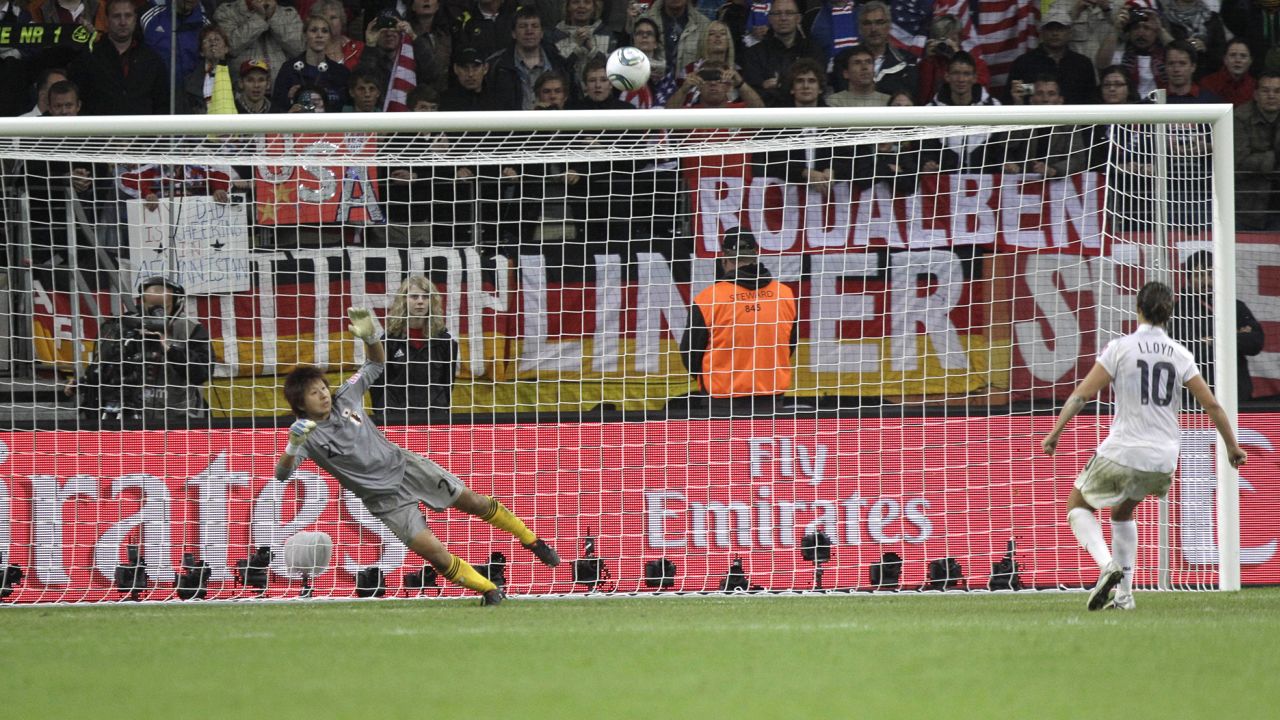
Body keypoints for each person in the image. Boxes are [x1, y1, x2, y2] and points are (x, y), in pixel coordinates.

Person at [275, 307, 560, 606]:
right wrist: (293, 446)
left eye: (322, 388)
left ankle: (532, 540)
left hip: (407, 467)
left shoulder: (346, 396)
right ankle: (489, 590)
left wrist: (371, 337)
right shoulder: (305, 436)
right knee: (434, 553)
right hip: (385, 501)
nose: (323, 394)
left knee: (473, 501)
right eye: (313, 393)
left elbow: (374, 363)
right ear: (300, 403)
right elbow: (282, 475)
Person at [1041, 281, 1246, 612]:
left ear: (1137, 308)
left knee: (1077, 505)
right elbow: (1213, 406)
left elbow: (1082, 394)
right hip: (1164, 458)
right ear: (1170, 313)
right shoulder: (1181, 354)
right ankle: (1125, 596)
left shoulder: (1121, 348)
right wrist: (1232, 447)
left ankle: (1108, 566)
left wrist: (1056, 431)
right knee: (1123, 511)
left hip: (1124, 448)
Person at [66, 276, 212, 422]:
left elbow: (202, 373)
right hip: (130, 416)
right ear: (142, 302)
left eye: (163, 307)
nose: (158, 313)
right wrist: (83, 382)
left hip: (176, 417)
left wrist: (169, 349)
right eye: (153, 307)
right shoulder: (125, 325)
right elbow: (105, 366)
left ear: (177, 303)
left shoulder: (191, 328)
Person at [680, 229, 797, 411]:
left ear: (724, 259)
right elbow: (790, 345)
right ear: (756, 255)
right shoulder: (785, 294)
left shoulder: (708, 298)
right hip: (770, 395)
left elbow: (690, 353)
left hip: (721, 397)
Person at [1170, 251, 1266, 401]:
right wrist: (1235, 335)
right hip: (1196, 399)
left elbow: (1256, 343)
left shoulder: (1236, 307)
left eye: (1210, 274)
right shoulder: (1179, 311)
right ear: (1188, 279)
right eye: (1199, 276)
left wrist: (1212, 340)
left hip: (1237, 395)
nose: (1206, 281)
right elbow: (1193, 352)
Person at [372, 276, 458, 420]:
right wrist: (382, 413)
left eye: (425, 297)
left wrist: (441, 410)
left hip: (434, 413)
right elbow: (379, 383)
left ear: (432, 301)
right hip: (395, 415)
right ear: (404, 300)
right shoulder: (389, 341)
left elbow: (448, 383)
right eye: (414, 296)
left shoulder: (445, 342)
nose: (420, 301)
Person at [71, 0, 170, 115]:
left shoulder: (152, 59)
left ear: (135, 19)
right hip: (100, 131)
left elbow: (162, 104)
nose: (123, 22)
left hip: (141, 131)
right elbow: (80, 101)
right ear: (107, 21)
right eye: (116, 16)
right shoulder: (89, 57)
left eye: (128, 16)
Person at [1005, 8, 1097, 105]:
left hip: (1074, 118)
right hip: (1034, 117)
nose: (1055, 33)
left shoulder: (1082, 64)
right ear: (1041, 33)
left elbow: (1091, 98)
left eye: (1060, 29)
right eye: (1050, 29)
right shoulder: (1024, 63)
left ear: (1069, 32)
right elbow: (1012, 96)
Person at [739, 0, 819, 106]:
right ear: (769, 19)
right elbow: (753, 94)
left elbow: (817, 87)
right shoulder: (754, 54)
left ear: (798, 18)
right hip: (768, 116)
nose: (783, 18)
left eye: (789, 13)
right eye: (777, 13)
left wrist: (779, 84)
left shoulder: (813, 50)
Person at [216, 0, 304, 90]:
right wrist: (259, 17)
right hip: (243, 90)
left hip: (281, 88)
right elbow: (230, 47)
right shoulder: (227, 12)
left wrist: (273, 17)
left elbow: (299, 49)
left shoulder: (289, 13)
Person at [272, 13, 352, 112]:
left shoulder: (341, 72)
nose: (319, 35)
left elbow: (348, 107)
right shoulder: (289, 69)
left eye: (325, 31)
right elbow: (276, 108)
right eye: (314, 30)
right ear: (305, 35)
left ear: (329, 37)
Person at [1234, 71, 1280, 231]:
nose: (1271, 95)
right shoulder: (1240, 117)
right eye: (1265, 90)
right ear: (1255, 94)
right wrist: (1272, 159)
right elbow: (1238, 164)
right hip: (1249, 206)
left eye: (1277, 91)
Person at [855, 0, 916, 98]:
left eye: (879, 22)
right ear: (860, 28)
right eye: (867, 23)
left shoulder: (907, 62)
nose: (873, 29)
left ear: (889, 26)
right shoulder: (844, 60)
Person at [1199, 38, 1254, 106]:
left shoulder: (1255, 86)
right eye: (1233, 55)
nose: (1238, 60)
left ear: (1250, 61)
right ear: (1225, 59)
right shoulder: (1208, 83)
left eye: (1243, 56)